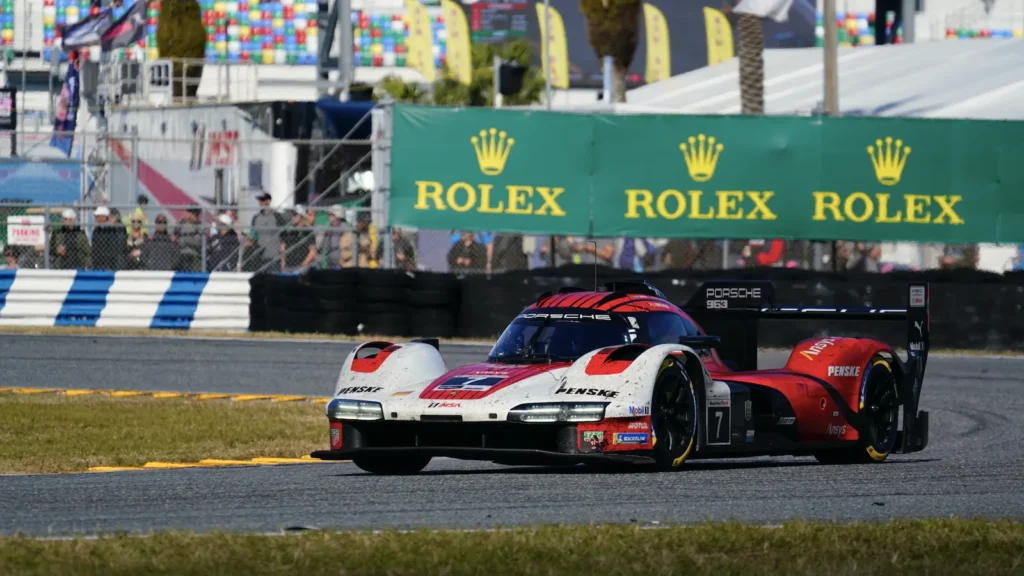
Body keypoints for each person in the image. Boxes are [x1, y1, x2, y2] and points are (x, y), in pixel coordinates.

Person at [250, 192, 284, 271]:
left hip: (274, 254)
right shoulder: (256, 217)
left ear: (268, 201)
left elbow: (283, 236)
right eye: (259, 200)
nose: (260, 202)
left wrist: (282, 257)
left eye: (262, 200)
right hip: (260, 254)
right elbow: (253, 234)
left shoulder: (277, 216)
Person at [280, 206, 318, 272]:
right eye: (292, 215)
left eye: (295, 215)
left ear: (301, 216)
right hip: (288, 266)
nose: (293, 217)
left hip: (301, 267)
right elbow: (283, 247)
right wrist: (283, 263)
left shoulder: (308, 231)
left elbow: (313, 252)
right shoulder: (288, 231)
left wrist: (302, 265)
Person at [91, 205, 127, 270]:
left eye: (97, 216)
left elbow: (115, 248)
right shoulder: (97, 230)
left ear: (104, 217)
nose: (95, 218)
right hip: (98, 264)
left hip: (110, 265)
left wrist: (108, 265)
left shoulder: (112, 230)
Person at [319, 205, 349, 270]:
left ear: (337, 215)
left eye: (331, 215)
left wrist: (343, 259)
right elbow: (325, 245)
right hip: (330, 263)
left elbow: (348, 246)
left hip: (341, 264)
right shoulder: (330, 227)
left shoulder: (344, 227)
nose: (329, 217)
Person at [174, 207, 203, 271]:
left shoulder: (200, 226)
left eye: (196, 214)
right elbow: (177, 239)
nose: (194, 216)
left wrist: (184, 240)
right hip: (182, 255)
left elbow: (199, 242)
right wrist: (191, 238)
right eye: (191, 213)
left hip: (195, 256)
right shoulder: (181, 224)